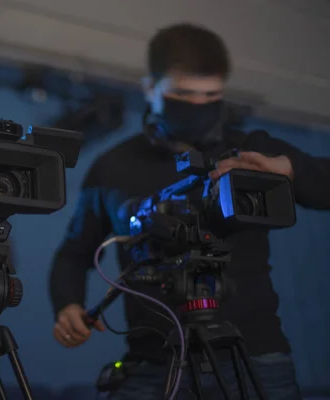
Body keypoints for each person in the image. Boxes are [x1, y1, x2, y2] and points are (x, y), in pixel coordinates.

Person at [49, 23, 330, 400]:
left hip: (255, 358)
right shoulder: (111, 167)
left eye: (211, 95)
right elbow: (74, 253)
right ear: (151, 87)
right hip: (152, 363)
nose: (198, 106)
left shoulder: (254, 151)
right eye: (183, 94)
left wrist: (292, 170)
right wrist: (68, 304)